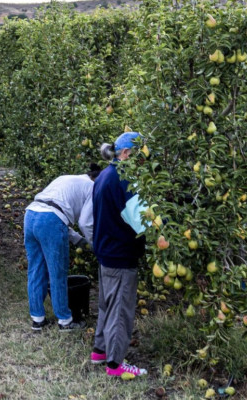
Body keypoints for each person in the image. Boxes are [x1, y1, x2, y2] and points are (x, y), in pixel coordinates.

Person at [90, 131, 149, 378]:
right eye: (140, 156)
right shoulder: (125, 180)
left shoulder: (105, 175)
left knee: (108, 303)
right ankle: (115, 364)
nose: (143, 162)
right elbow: (142, 222)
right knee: (120, 309)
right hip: (121, 253)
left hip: (106, 250)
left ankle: (100, 350)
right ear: (126, 153)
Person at [23, 164, 101, 332]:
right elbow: (85, 223)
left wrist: (80, 242)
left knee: (35, 269)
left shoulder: (66, 179)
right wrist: (96, 245)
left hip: (30, 215)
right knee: (57, 272)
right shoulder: (93, 187)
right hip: (50, 220)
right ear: (97, 179)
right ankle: (65, 321)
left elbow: (57, 214)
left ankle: (37, 319)